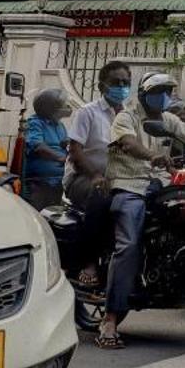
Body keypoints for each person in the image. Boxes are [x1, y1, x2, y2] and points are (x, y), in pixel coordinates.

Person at [97, 71, 185, 349]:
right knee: (129, 243)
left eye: (168, 91)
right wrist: (152, 156)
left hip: (158, 184)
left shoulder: (167, 120)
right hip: (129, 185)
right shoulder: (126, 117)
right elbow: (128, 143)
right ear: (145, 94)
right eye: (159, 91)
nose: (164, 96)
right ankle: (110, 319)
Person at [65, 61, 133, 286]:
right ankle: (88, 261)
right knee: (102, 196)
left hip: (119, 178)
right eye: (116, 82)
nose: (122, 87)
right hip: (83, 178)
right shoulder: (88, 113)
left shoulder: (129, 117)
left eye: (125, 83)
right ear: (102, 85)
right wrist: (94, 176)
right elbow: (75, 150)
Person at [20, 88, 74, 209]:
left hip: (58, 182)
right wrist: (61, 158)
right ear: (51, 107)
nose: (68, 106)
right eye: (64, 104)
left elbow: (62, 145)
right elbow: (38, 147)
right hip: (39, 183)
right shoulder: (35, 123)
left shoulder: (60, 125)